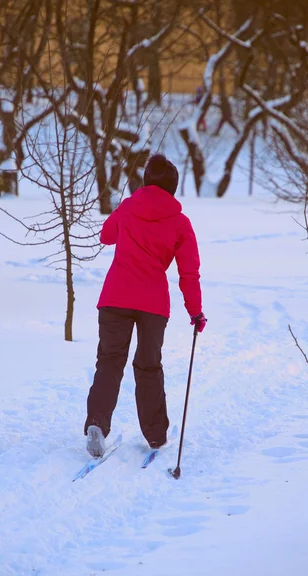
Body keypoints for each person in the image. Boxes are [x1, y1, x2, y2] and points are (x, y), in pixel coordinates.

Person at [84, 154, 207, 457]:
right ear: (173, 187)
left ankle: (97, 424)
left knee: (110, 360)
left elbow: (106, 235)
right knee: (148, 366)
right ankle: (155, 436)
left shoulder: (128, 207)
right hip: (153, 303)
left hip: (115, 297)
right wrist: (195, 311)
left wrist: (127, 219)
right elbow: (188, 272)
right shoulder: (180, 223)